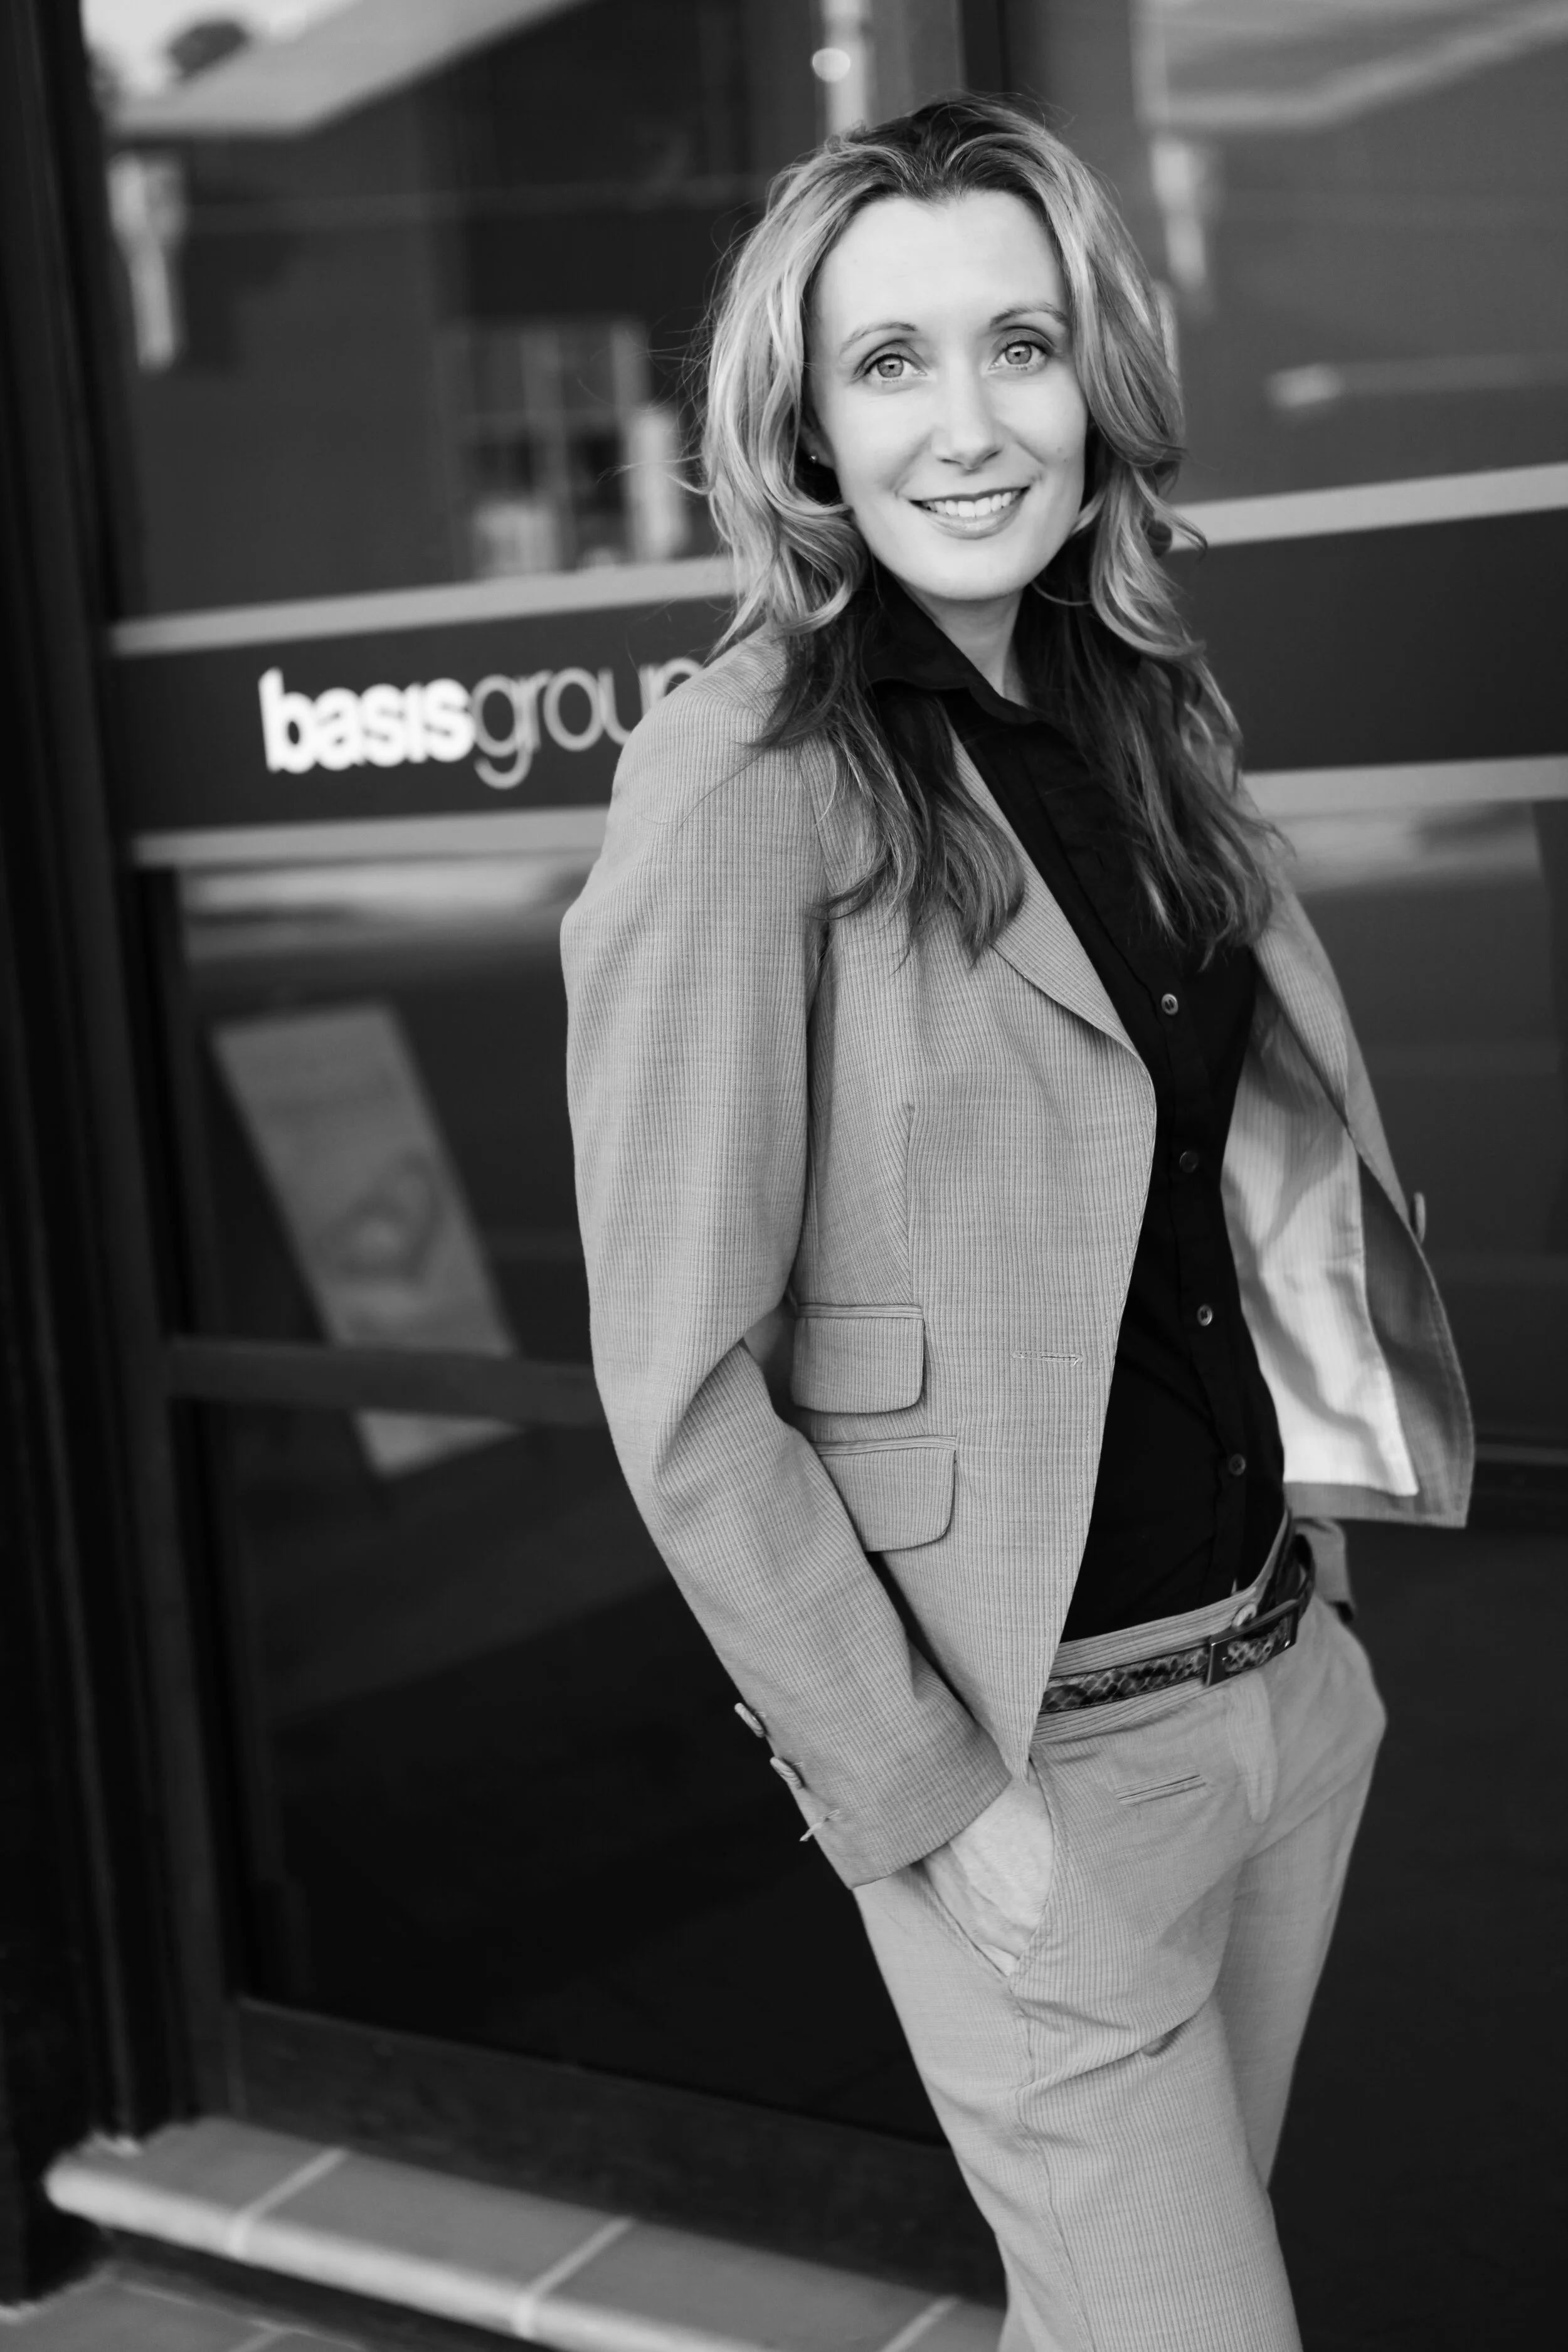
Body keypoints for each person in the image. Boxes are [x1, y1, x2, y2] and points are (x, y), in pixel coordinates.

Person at [561, 93, 1471, 2352]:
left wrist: (1315, 1590)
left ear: (1094, 388)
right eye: (889, 365)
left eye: (1018, 347)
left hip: (1272, 1697)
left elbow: (1210, 1186)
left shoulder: (1142, 710)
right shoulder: (743, 777)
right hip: (1026, 1764)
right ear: (800, 425)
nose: (966, 426)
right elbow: (682, 1385)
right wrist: (931, 1805)